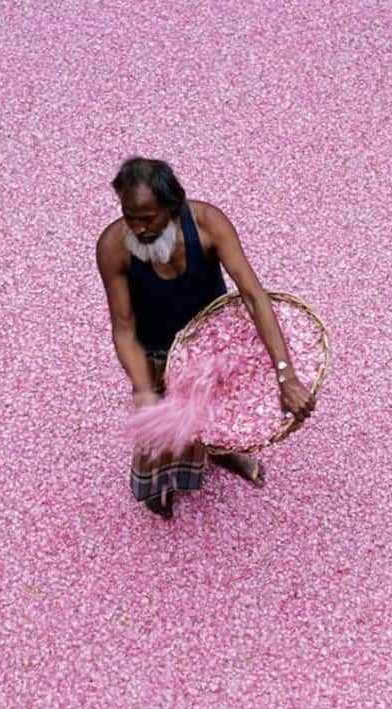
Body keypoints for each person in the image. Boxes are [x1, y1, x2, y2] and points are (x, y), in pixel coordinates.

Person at [96, 157, 315, 519]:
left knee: (216, 414)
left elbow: (253, 296)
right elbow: (123, 326)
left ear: (174, 205)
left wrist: (285, 373)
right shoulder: (113, 247)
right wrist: (144, 390)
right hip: (156, 353)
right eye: (129, 216)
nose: (138, 228)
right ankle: (157, 488)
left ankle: (221, 452)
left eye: (148, 218)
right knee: (158, 436)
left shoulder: (209, 224)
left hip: (214, 350)